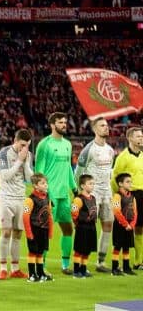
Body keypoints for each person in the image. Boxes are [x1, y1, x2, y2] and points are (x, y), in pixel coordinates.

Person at [34, 112, 76, 274]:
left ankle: (65, 265)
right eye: (60, 122)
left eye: (65, 122)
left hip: (64, 196)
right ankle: (41, 266)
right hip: (49, 196)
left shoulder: (67, 144)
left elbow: (68, 170)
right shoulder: (45, 145)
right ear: (52, 125)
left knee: (68, 229)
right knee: (45, 231)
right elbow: (39, 172)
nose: (64, 125)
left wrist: (74, 189)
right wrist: (44, 194)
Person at [74, 117, 115, 272]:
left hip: (106, 192)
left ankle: (101, 262)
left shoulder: (110, 150)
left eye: (107, 125)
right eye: (102, 125)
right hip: (93, 192)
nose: (106, 127)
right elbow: (78, 172)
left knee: (108, 224)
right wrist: (80, 191)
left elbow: (109, 172)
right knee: (88, 226)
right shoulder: (88, 149)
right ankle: (82, 263)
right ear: (94, 129)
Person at [0, 129, 32, 279]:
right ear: (15, 140)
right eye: (22, 145)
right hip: (6, 197)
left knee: (17, 233)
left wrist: (25, 162)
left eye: (27, 146)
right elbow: (5, 176)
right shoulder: (4, 153)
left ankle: (15, 268)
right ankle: (3, 267)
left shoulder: (27, 155)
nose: (24, 148)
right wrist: (19, 161)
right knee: (6, 232)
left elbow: (29, 178)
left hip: (20, 197)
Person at [111, 127, 143, 269]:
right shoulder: (122, 157)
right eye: (138, 136)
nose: (141, 139)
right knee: (128, 228)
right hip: (131, 196)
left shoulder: (142, 155)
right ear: (130, 138)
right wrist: (119, 195)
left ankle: (138, 261)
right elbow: (115, 177)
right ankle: (124, 262)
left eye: (142, 136)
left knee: (141, 228)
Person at [23, 173, 54, 282]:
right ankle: (31, 274)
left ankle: (41, 273)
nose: (46, 185)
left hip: (44, 230)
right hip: (34, 229)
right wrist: (28, 233)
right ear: (35, 186)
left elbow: (49, 214)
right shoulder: (30, 200)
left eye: (46, 183)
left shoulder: (47, 197)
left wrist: (50, 230)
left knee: (40, 252)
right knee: (33, 252)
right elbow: (25, 217)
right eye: (43, 183)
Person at [71, 174, 97, 278]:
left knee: (87, 249)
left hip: (91, 227)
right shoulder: (78, 199)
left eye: (93, 184)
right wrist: (77, 223)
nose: (92, 186)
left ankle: (83, 269)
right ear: (82, 186)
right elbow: (73, 212)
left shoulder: (93, 198)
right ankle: (76, 270)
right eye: (90, 184)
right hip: (82, 227)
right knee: (79, 249)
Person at [111, 173, 137, 276]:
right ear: (120, 184)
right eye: (127, 181)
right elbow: (116, 211)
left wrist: (132, 224)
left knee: (126, 247)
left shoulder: (132, 196)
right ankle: (114, 268)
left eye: (130, 181)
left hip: (129, 226)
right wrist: (125, 224)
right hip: (120, 225)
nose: (130, 183)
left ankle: (126, 267)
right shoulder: (117, 196)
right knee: (117, 246)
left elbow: (135, 212)